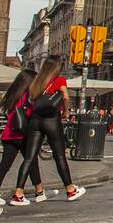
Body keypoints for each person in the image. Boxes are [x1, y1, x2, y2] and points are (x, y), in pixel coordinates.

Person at [16, 56, 86, 202]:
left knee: (29, 157)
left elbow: (31, 100)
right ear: (57, 67)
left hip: (35, 120)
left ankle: (18, 194)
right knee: (59, 156)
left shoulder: (36, 82)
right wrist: (66, 112)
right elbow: (65, 97)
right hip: (51, 120)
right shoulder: (59, 80)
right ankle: (70, 190)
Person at [0, 66, 48, 208]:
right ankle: (36, 193)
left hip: (9, 134)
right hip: (23, 134)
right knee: (31, 162)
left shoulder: (13, 95)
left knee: (5, 165)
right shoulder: (29, 96)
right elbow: (33, 113)